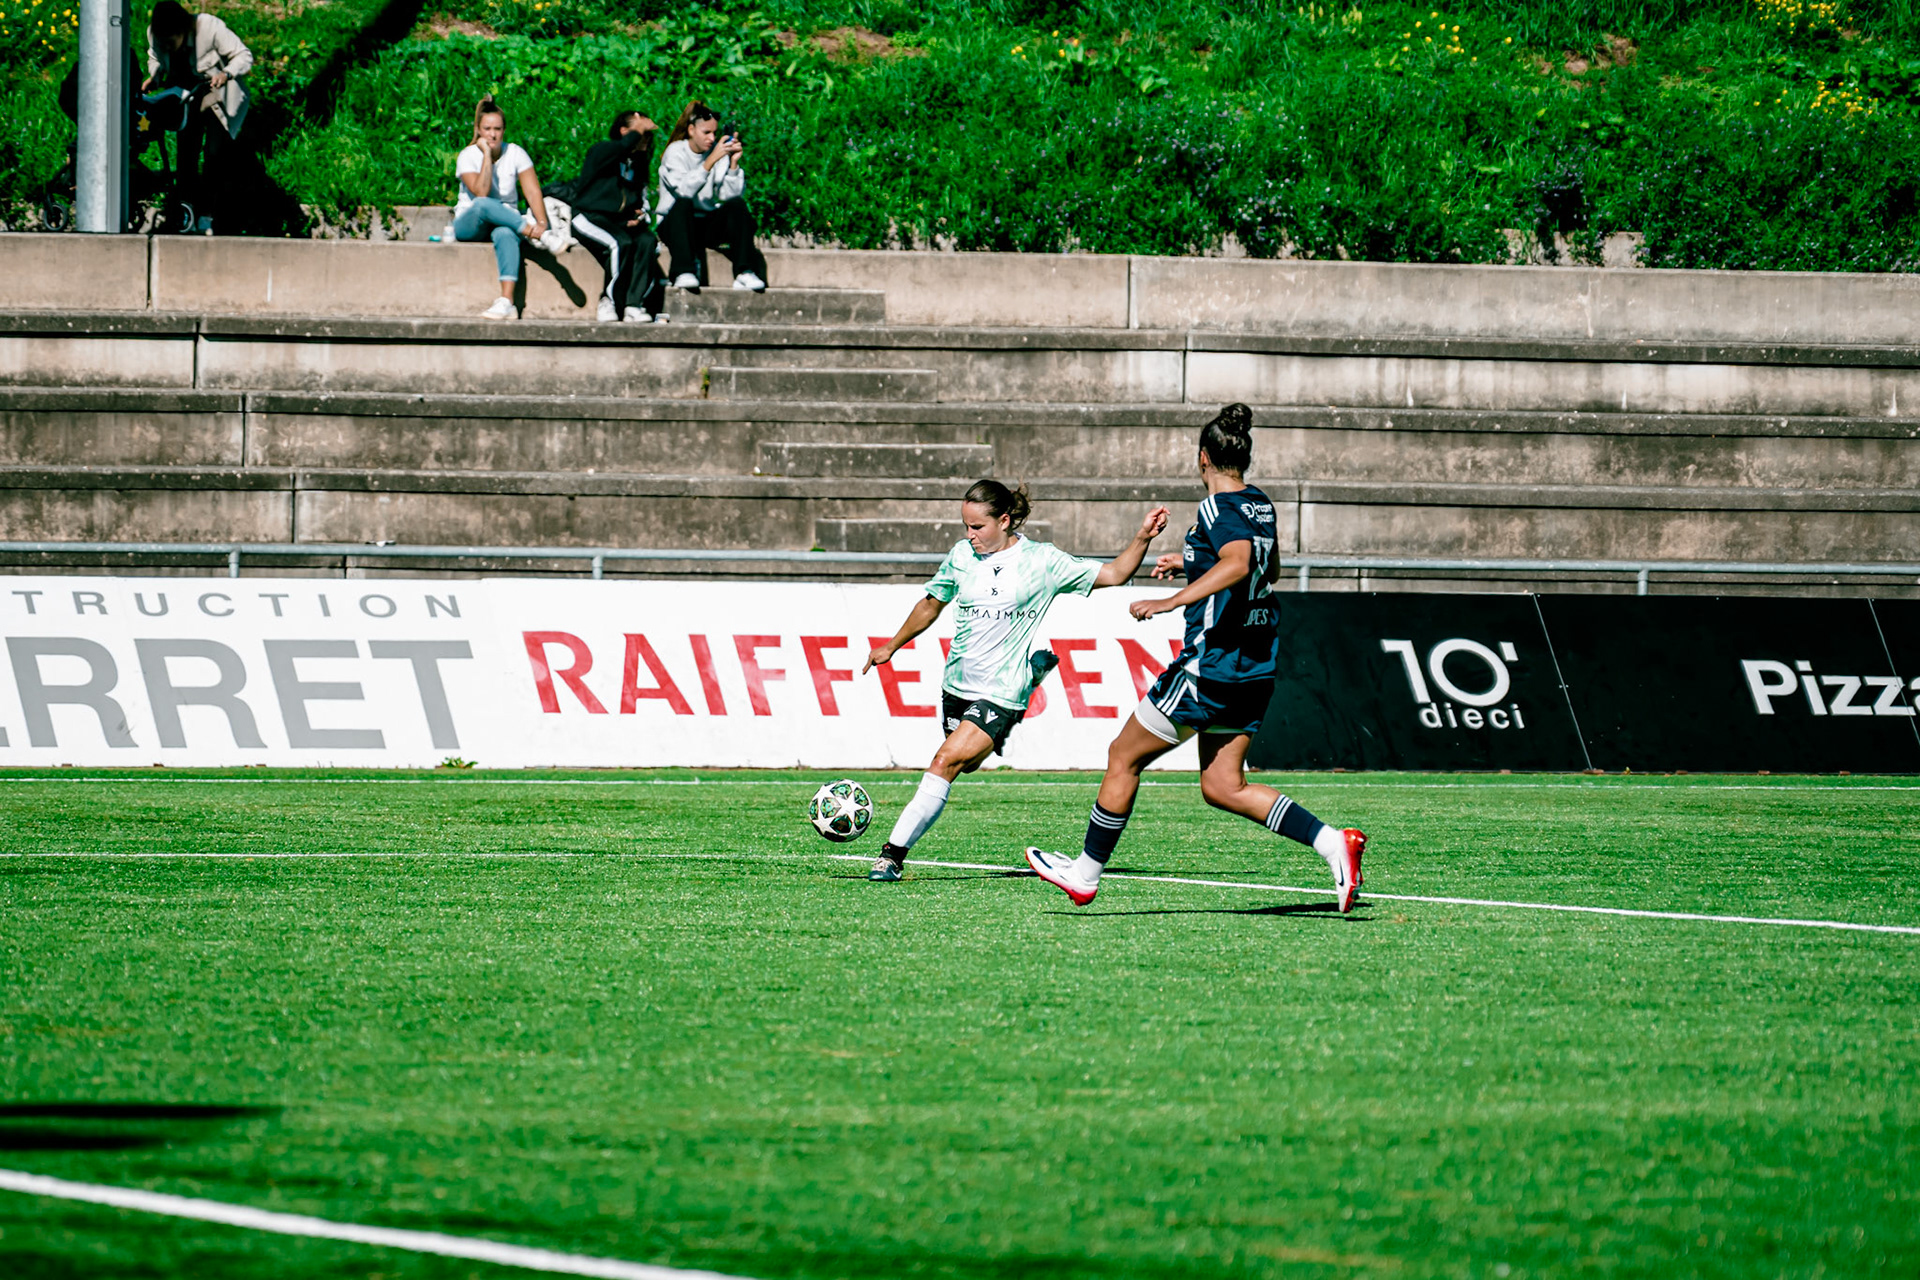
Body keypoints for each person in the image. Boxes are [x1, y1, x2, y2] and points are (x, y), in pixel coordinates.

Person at [1024, 405, 1369, 912]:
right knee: (1223, 785)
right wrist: (1192, 564)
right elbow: (1267, 571)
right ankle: (1332, 843)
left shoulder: (1214, 508)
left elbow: (1239, 563)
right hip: (1254, 665)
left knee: (1123, 756)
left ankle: (1085, 874)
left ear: (1203, 457)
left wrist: (1172, 600)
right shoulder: (1260, 504)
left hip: (1210, 666)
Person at [861, 481, 1171, 883]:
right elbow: (932, 603)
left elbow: (1114, 573)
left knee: (945, 761)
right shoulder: (961, 556)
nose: (969, 535)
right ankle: (1029, 680)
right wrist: (892, 645)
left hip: (1002, 689)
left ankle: (891, 856)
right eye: (966, 526)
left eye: (977, 527)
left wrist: (1143, 537)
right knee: (965, 764)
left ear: (1004, 520)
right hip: (957, 685)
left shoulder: (1042, 561)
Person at [143, 0, 251, 234]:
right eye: (163, 42)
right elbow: (155, 58)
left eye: (171, 41)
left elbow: (243, 56)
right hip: (187, 98)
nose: (167, 46)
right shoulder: (156, 35)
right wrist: (155, 76)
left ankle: (209, 214)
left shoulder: (209, 27)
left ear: (183, 30)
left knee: (214, 154)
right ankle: (187, 212)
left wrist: (226, 73)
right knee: (186, 156)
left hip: (217, 98)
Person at [455, 98, 555, 320]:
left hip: (505, 221)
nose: (492, 135)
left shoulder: (515, 153)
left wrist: (542, 223)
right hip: (470, 223)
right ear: (478, 130)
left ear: (504, 130)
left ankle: (507, 301)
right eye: (487, 129)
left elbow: (532, 192)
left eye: (497, 129)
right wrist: (486, 156)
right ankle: (533, 233)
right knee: (482, 204)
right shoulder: (467, 155)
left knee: (506, 233)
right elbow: (481, 192)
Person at [656, 101, 767, 293]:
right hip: (675, 224)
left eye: (714, 133)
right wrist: (710, 161)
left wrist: (733, 165)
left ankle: (744, 271)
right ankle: (683, 271)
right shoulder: (675, 152)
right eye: (706, 132)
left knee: (737, 205)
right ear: (691, 130)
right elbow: (684, 191)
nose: (712, 138)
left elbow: (729, 196)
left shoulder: (717, 153)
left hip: (704, 223)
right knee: (683, 203)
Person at [570, 110, 667, 323]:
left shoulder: (637, 163)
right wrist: (638, 129)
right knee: (620, 243)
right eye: (641, 133)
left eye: (647, 134)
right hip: (588, 217)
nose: (645, 138)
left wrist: (636, 215)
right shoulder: (602, 150)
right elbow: (620, 149)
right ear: (624, 132)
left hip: (617, 221)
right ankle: (609, 301)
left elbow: (633, 198)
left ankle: (634, 305)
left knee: (647, 241)